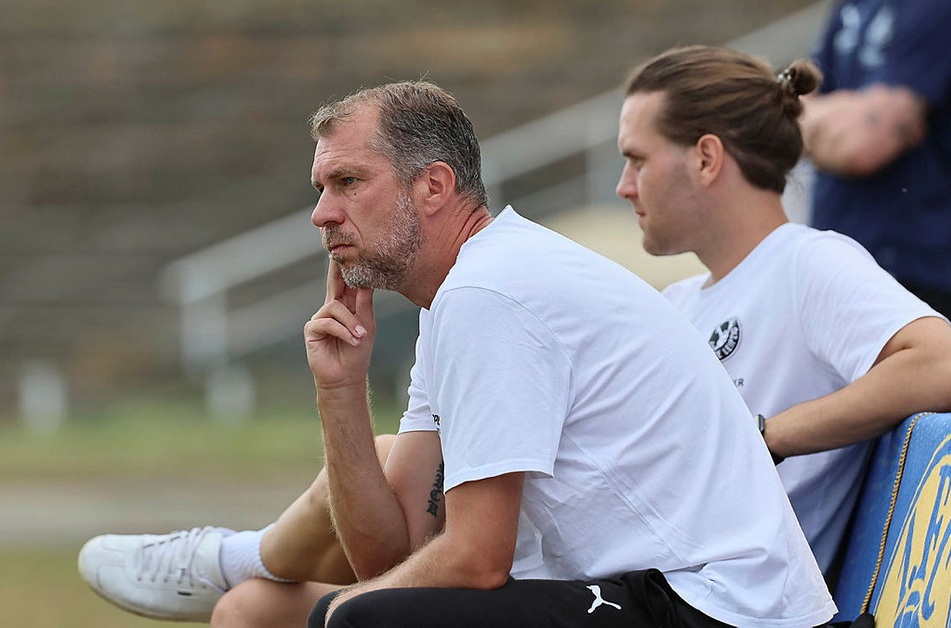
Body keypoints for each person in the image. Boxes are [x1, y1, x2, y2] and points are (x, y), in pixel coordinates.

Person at [80, 80, 836, 627]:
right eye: (320, 187)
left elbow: (474, 561)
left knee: (351, 624)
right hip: (653, 589)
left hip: (715, 605)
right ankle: (241, 566)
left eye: (348, 182)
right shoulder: (462, 296)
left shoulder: (491, 292)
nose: (321, 214)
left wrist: (337, 610)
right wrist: (338, 390)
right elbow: (393, 554)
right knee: (253, 612)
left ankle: (236, 557)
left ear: (433, 185)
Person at [615, 44, 951, 581]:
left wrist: (765, 436)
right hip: (650, 581)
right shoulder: (674, 303)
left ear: (706, 158)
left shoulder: (807, 261)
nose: (624, 186)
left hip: (720, 601)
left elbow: (942, 364)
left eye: (637, 159)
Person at [801, 0, 951, 318]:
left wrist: (812, 118)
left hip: (922, 274)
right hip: (846, 268)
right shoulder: (853, 3)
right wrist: (845, 114)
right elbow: (786, 109)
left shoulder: (936, 4)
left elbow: (863, 145)